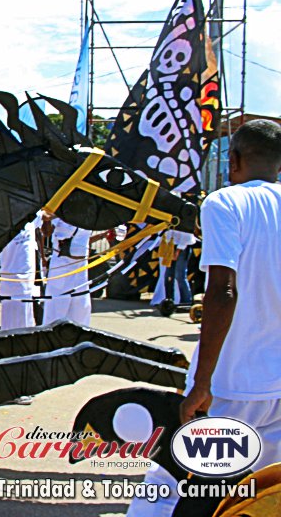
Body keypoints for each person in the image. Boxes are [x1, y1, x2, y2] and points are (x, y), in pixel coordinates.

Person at [128, 120, 281, 517]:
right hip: (278, 386)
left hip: (231, 383)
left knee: (171, 485)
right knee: (262, 493)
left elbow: (222, 291)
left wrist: (202, 381)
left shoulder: (224, 203)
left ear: (234, 160)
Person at [41, 213, 93, 326]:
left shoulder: (90, 209)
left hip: (81, 268)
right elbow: (46, 232)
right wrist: (47, 219)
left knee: (81, 309)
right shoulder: (63, 207)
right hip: (61, 266)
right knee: (56, 309)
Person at [0, 215, 41, 332]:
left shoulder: (31, 221)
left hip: (25, 288)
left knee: (27, 327)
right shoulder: (1, 226)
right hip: (11, 286)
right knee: (11, 330)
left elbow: (47, 217)